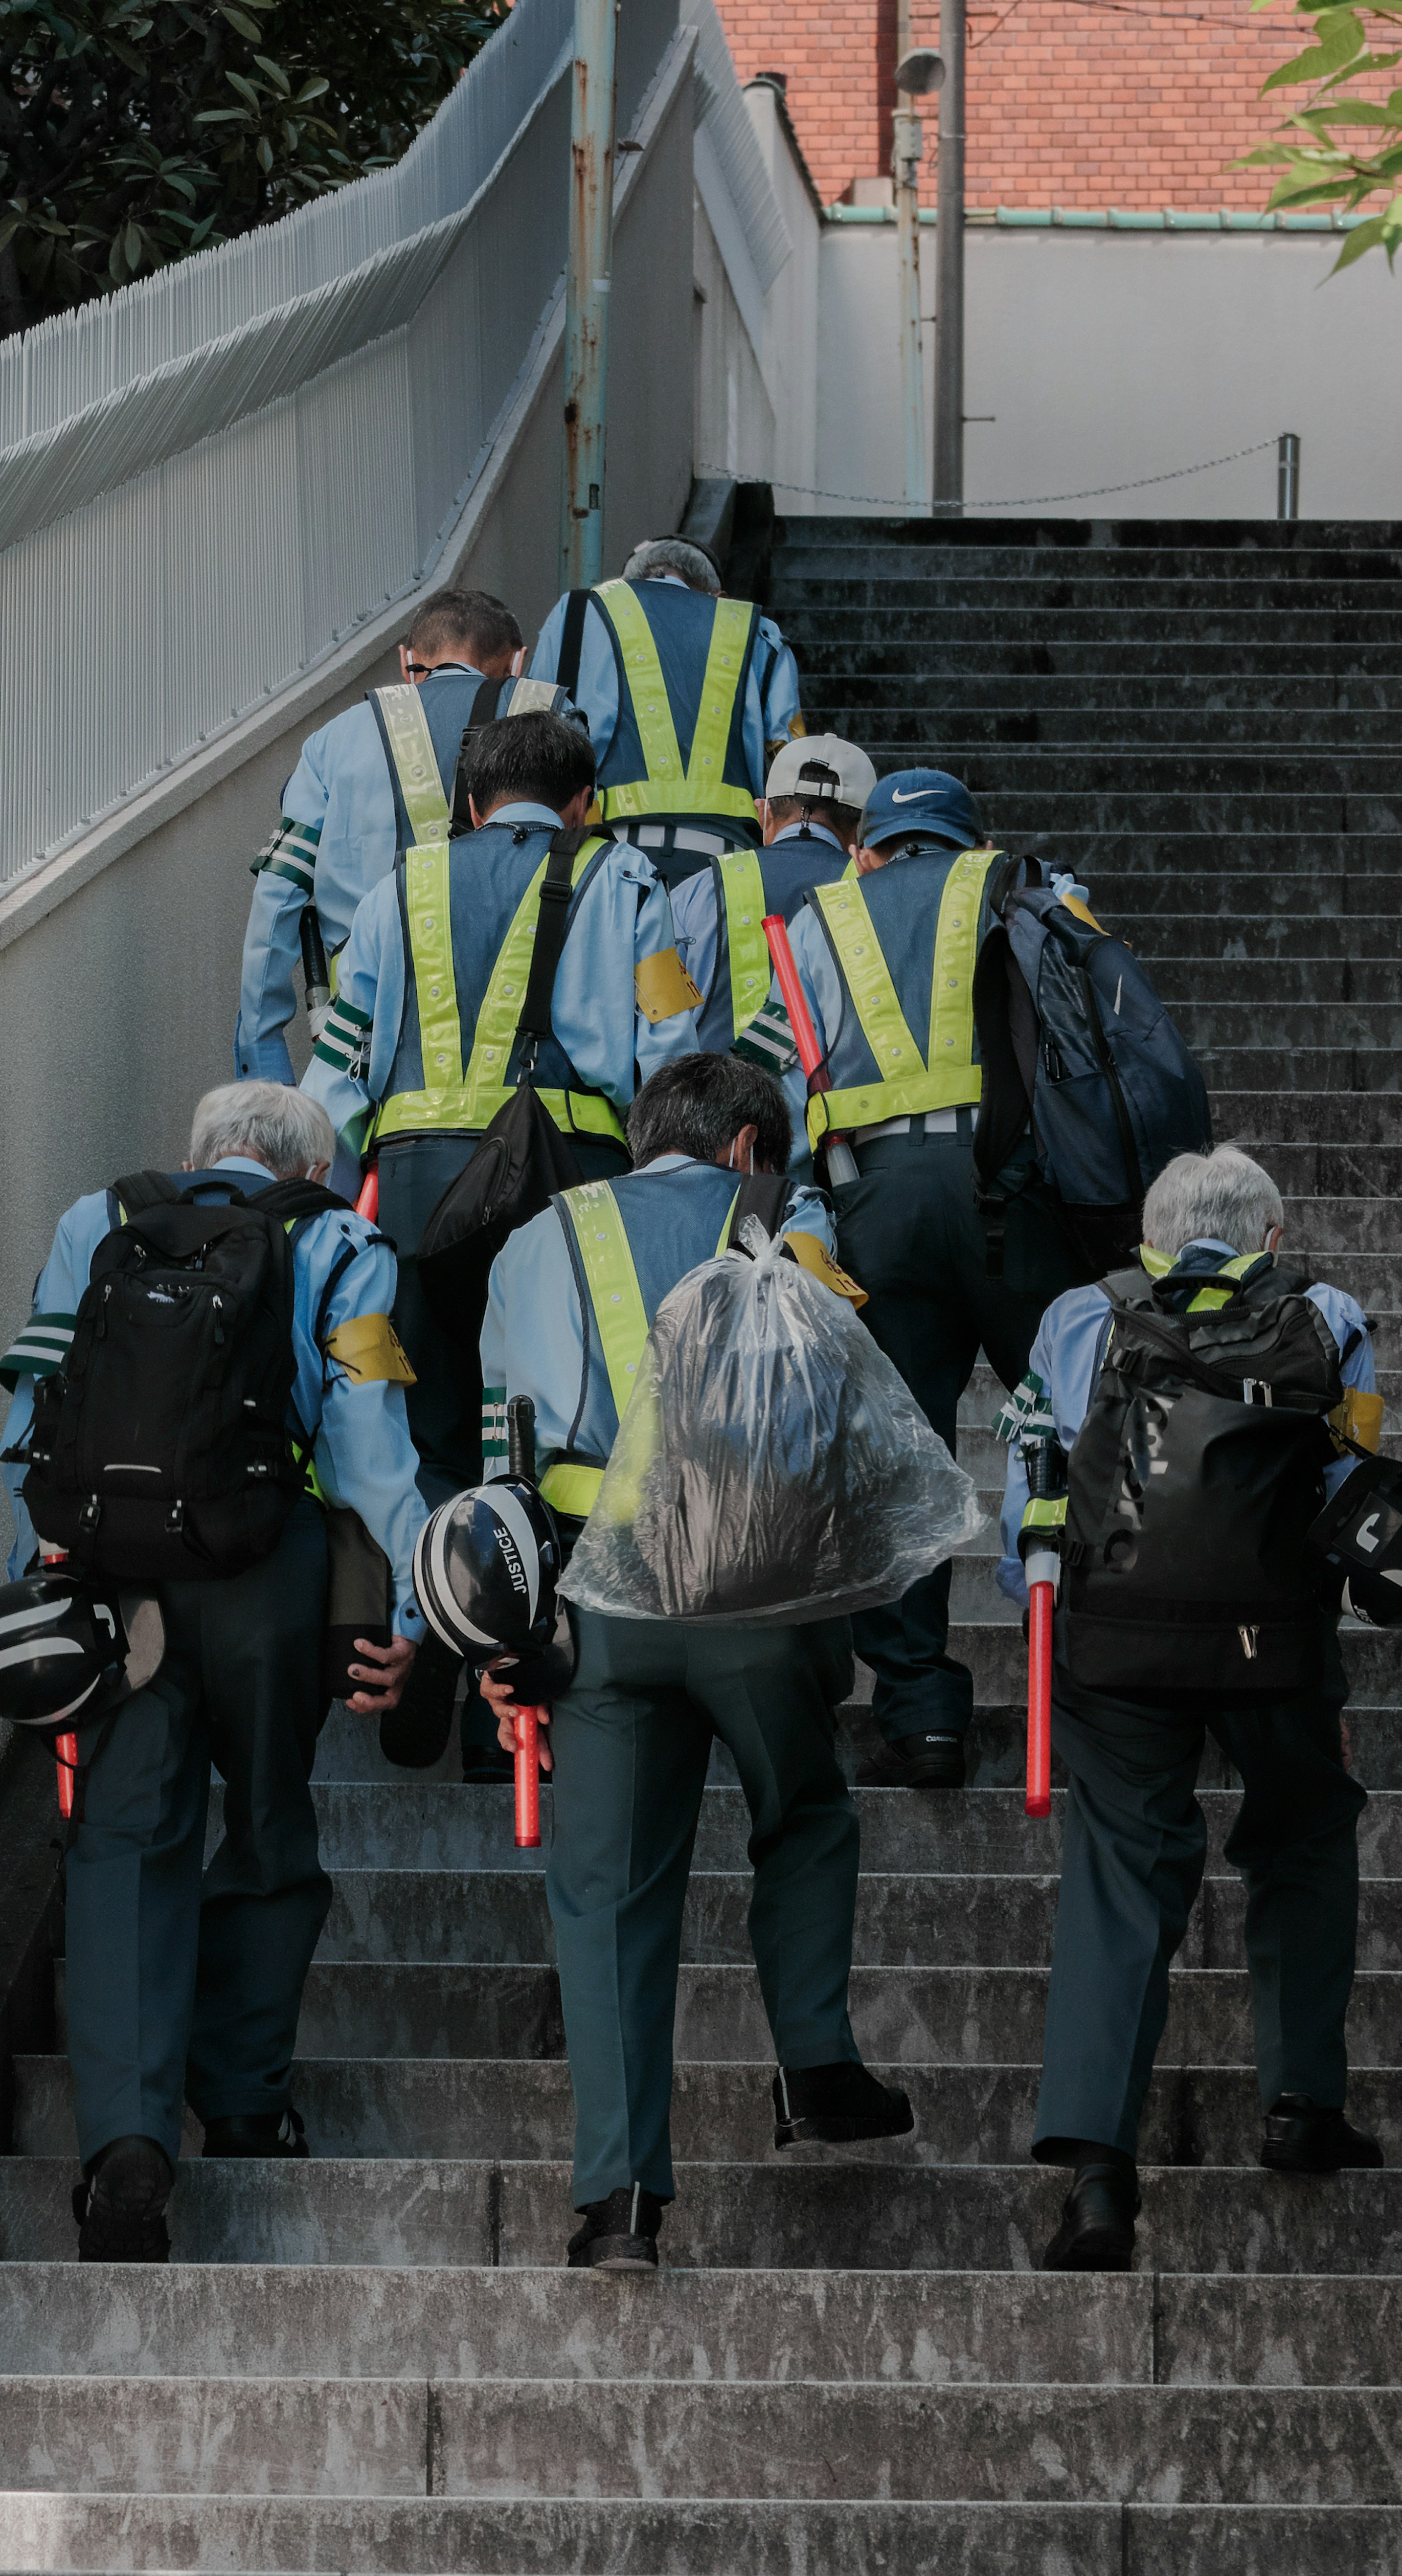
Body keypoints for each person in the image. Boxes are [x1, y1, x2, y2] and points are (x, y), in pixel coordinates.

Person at [478, 1050, 912, 2272]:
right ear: (744, 1146)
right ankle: (817, 2064)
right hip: (758, 1588)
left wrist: (504, 1636)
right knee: (807, 1809)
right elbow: (842, 1401)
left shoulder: (536, 1240)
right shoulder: (781, 1219)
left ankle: (616, 2203)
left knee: (607, 1896)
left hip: (598, 1602)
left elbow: (494, 1443)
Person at [0, 1081, 427, 2265]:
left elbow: (34, 1409)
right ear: (310, 1164)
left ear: (202, 1155)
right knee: (270, 1818)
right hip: (265, 1571)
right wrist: (418, 1612)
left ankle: (127, 2143)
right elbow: (369, 1445)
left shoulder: (100, 1219)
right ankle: (241, 2095)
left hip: (116, 1575)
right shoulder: (337, 1240)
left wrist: (38, 1576)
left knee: (124, 1841)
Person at [998, 1146, 1386, 2273]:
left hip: (1114, 1645)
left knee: (1121, 1871)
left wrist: (1041, 1612)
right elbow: (1350, 1480)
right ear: (1269, 1238)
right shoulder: (1326, 1312)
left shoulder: (1079, 1316)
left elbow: (1033, 1480)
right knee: (1306, 1834)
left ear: (1149, 1242)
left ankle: (1100, 2179)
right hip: (1278, 1644)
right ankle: (1303, 2105)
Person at [300, 707, 700, 1772]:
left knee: (435, 1434)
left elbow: (338, 1069)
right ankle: (525, 1709)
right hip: (570, 1196)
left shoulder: (397, 890)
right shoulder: (624, 882)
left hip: (420, 1195)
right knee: (558, 1434)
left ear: (471, 804)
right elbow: (671, 1049)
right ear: (583, 804)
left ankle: (442, 1638)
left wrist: (323, 1222)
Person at [780, 767, 1089, 1789]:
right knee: (1073, 1423)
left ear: (868, 850)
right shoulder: (1024, 884)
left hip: (878, 1205)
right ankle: (1100, 1681)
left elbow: (775, 1078)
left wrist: (805, 1216)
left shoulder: (814, 919)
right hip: (1013, 1195)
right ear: (969, 843)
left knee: (904, 1457)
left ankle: (921, 1717)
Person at [236, 586, 534, 1084]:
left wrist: (261, 1058)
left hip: (366, 1038)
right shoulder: (552, 728)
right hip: (517, 1038)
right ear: (518, 662)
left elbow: (278, 898)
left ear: (407, 659)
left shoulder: (335, 742)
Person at [525, 538, 804, 890]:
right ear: (718, 597)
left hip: (600, 860)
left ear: (625, 586)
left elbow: (532, 737)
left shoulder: (576, 613)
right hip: (731, 868)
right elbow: (792, 761)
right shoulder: (757, 629)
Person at [668, 733, 874, 1172]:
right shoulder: (875, 894)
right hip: (846, 1154)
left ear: (764, 814)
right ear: (863, 831)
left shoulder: (695, 891)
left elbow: (659, 1020)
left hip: (714, 1150)